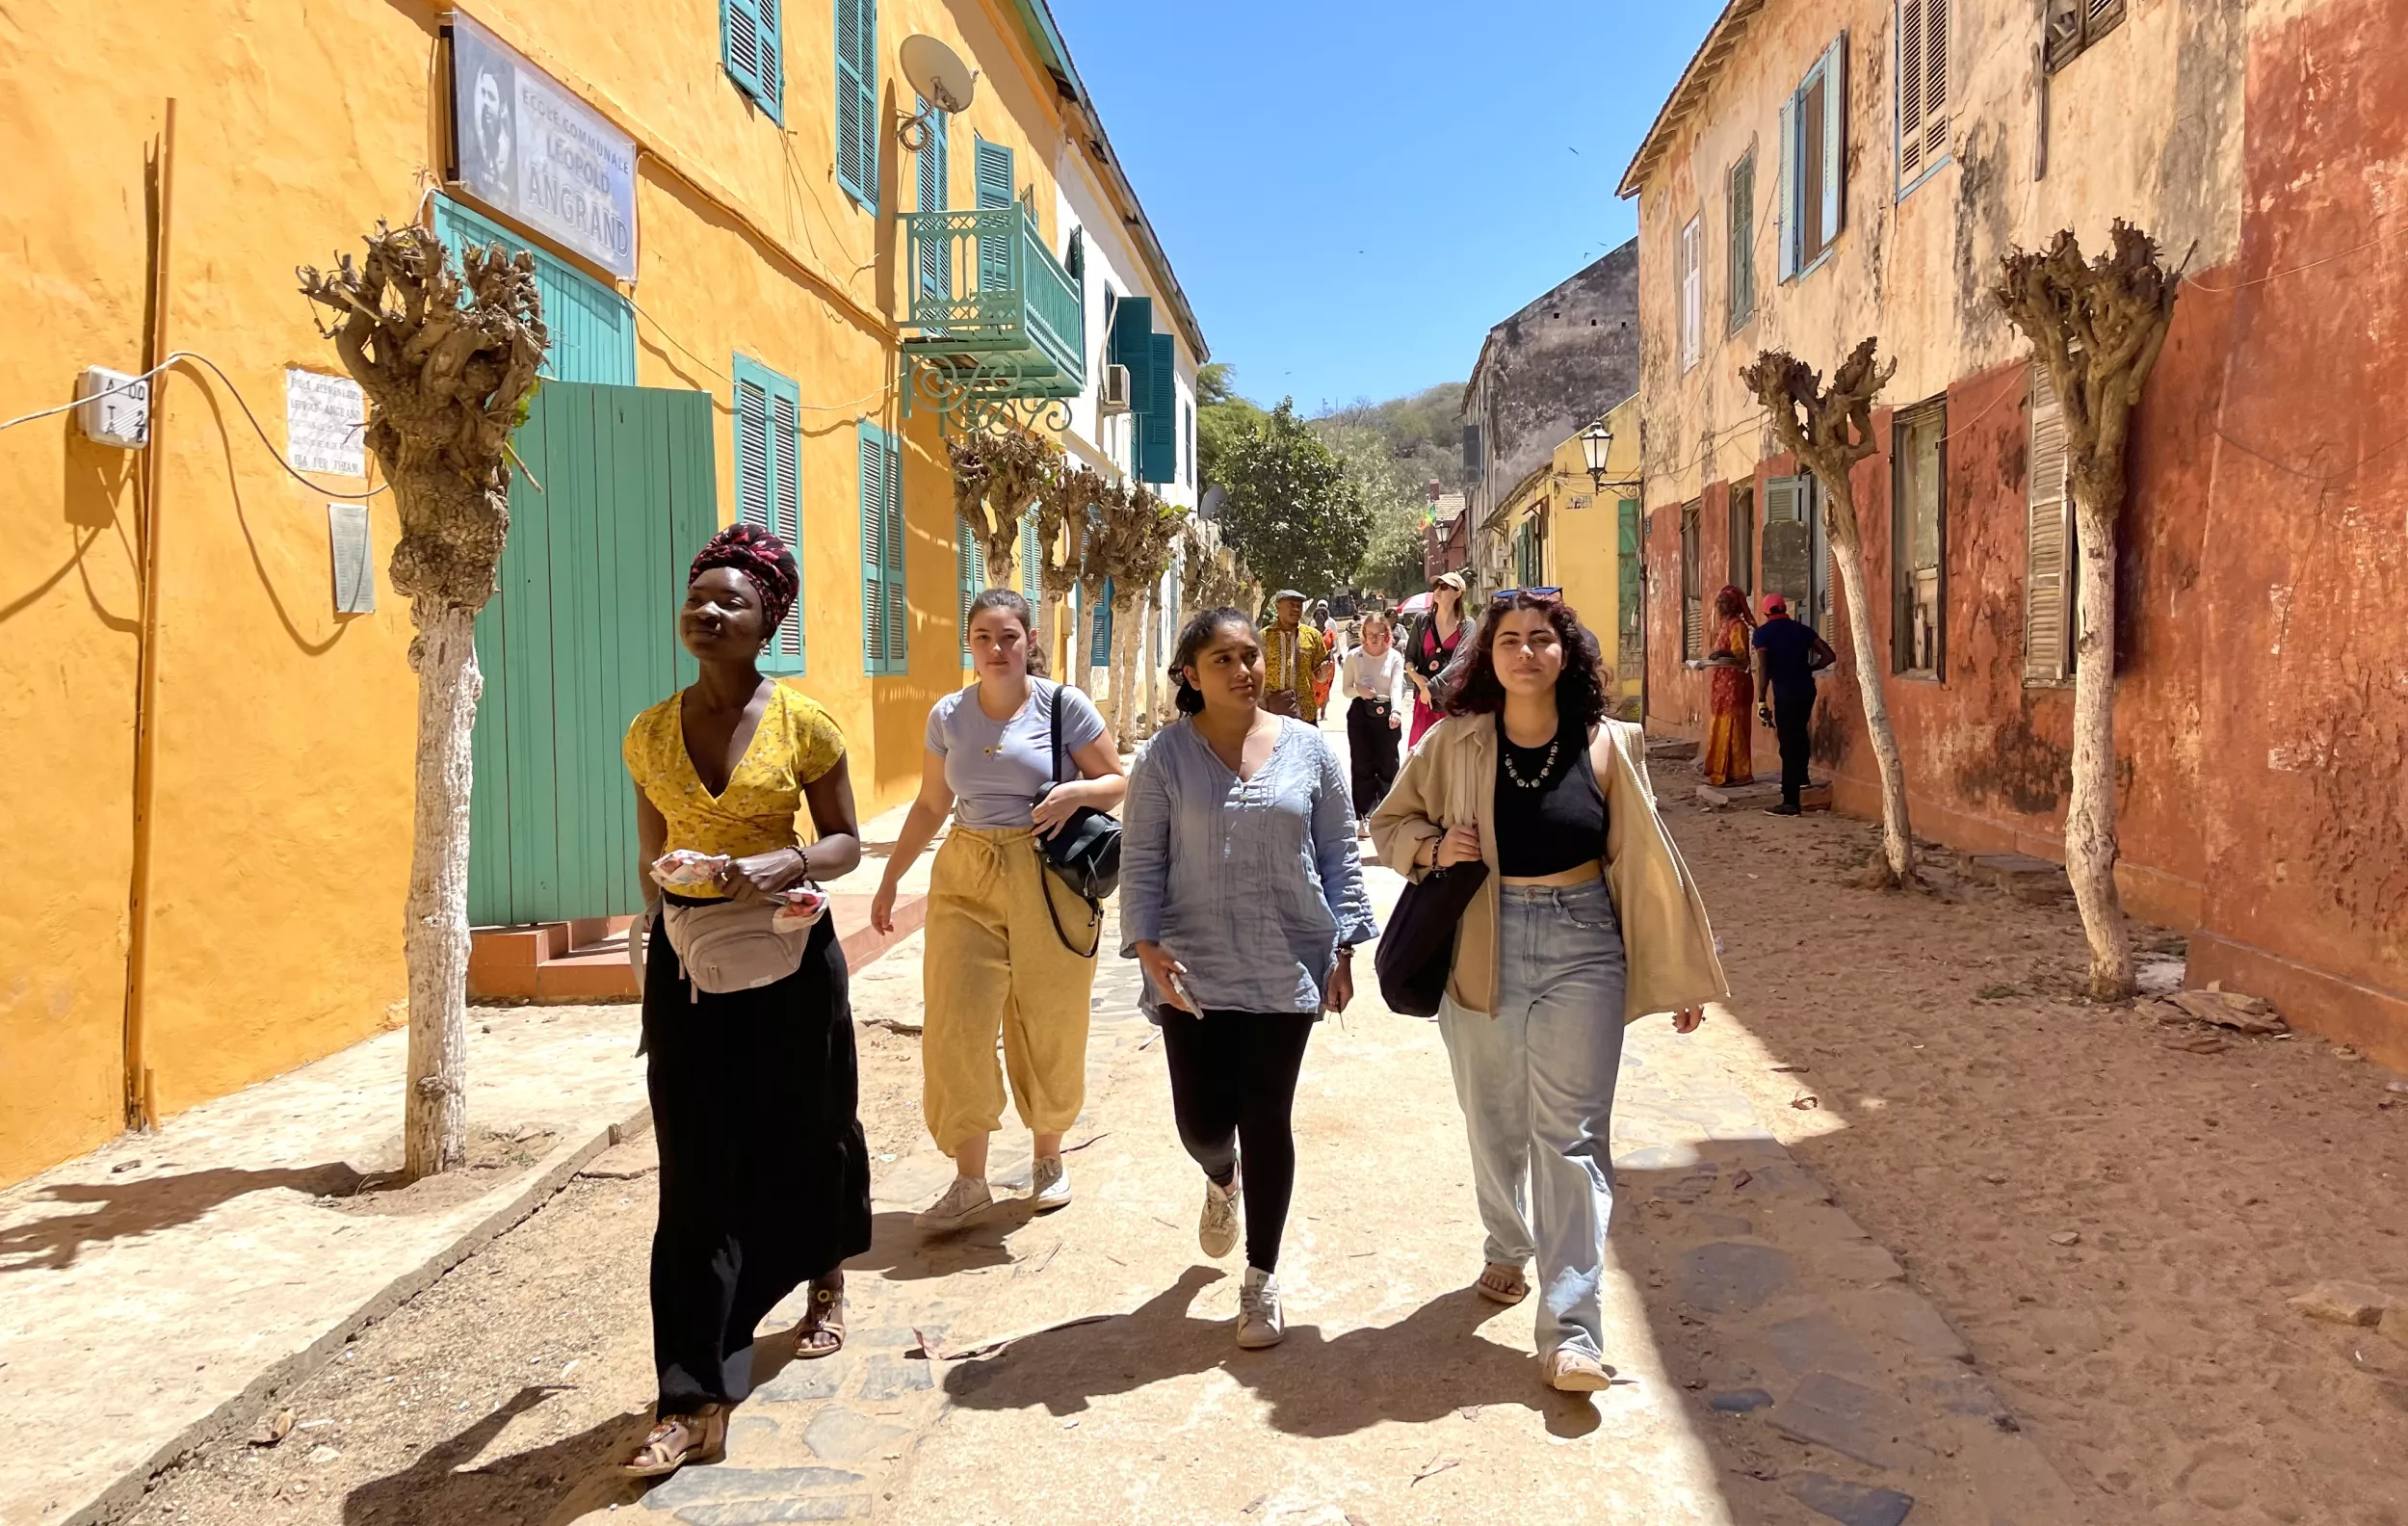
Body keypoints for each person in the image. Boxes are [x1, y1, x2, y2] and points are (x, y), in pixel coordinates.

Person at [1370, 589, 1728, 1393]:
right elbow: (1388, 824)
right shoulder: (1456, 745)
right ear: (1488, 658)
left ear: (1566, 653)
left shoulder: (1610, 745)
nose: (1526, 652)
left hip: (1583, 945)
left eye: (1542, 639)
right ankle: (1506, 1244)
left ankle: (1571, 1331)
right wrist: (1432, 847)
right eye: (1509, 641)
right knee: (1493, 1122)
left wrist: (1674, 966)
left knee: (1570, 1138)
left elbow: (1646, 867)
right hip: (1481, 943)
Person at [618, 523, 871, 1476]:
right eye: (697, 598)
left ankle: (824, 1279)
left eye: (731, 601)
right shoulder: (648, 731)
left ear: (768, 620)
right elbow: (652, 857)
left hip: (790, 960)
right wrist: (669, 904)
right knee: (691, 1173)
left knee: (808, 1134)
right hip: (690, 972)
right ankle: (688, 1397)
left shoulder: (804, 723)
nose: (707, 611)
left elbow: (847, 840)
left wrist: (783, 860)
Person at [1121, 608, 1376, 1349]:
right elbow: (1141, 861)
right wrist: (1144, 945)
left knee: (1268, 1118)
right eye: (1223, 659)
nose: (1243, 670)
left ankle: (1261, 1281)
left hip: (1285, 958)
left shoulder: (1307, 752)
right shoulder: (1165, 759)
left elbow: (1338, 852)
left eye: (1250, 656)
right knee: (1201, 1122)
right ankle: (1220, 1176)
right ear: (1191, 675)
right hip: (1189, 966)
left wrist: (1342, 949)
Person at [870, 590, 1128, 1231]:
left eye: (1008, 637)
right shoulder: (948, 717)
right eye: (983, 637)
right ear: (969, 642)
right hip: (966, 870)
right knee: (955, 1019)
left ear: (1029, 638)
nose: (996, 649)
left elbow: (1119, 780)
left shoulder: (1064, 706)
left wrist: (1076, 791)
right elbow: (931, 804)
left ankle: (1047, 1158)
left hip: (1047, 874)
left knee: (1049, 1017)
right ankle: (969, 1179)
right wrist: (890, 879)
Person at [1751, 592, 1837, 815]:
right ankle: (1801, 779)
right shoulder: (1802, 630)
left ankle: (1790, 802)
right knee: (1799, 734)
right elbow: (1829, 656)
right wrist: (1809, 668)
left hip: (1786, 693)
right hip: (1806, 690)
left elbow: (1764, 669)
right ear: (1784, 608)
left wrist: (1761, 700)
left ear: (1766, 611)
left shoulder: (1762, 634)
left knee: (1788, 743)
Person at [1340, 610, 1409, 830]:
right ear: (1363, 634)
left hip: (1388, 712)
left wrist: (1397, 711)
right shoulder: (1354, 656)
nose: (1374, 639)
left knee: (1388, 765)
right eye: (1370, 634)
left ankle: (1387, 815)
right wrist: (1359, 690)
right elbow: (1346, 690)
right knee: (1362, 765)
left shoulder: (1394, 657)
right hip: (1361, 713)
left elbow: (1397, 686)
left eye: (1380, 634)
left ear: (1387, 634)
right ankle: (1363, 815)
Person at [1700, 586, 1758, 787]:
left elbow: (1740, 654)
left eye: (1724, 602)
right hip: (1721, 683)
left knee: (1733, 726)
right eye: (1719, 602)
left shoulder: (1737, 626)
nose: (1720, 606)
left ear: (1733, 605)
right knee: (1720, 724)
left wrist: (1722, 654)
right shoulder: (1724, 625)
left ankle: (1739, 773)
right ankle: (1719, 770)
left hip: (1734, 683)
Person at [1404, 571, 1468, 746]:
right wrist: (1418, 680)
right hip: (1424, 699)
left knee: (1449, 756)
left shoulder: (1467, 625)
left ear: (1458, 593)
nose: (1438, 590)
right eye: (1436, 586)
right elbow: (1409, 657)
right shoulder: (1422, 620)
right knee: (1421, 754)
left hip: (1452, 700)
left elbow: (1461, 661)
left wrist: (1432, 686)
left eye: (1444, 586)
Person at [1261, 590, 1335, 724]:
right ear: (1278, 606)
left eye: (1299, 606)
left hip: (1305, 713)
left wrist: (1324, 673)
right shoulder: (1263, 637)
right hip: (1272, 714)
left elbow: (1319, 677)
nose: (1296, 609)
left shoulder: (1313, 636)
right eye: (1291, 604)